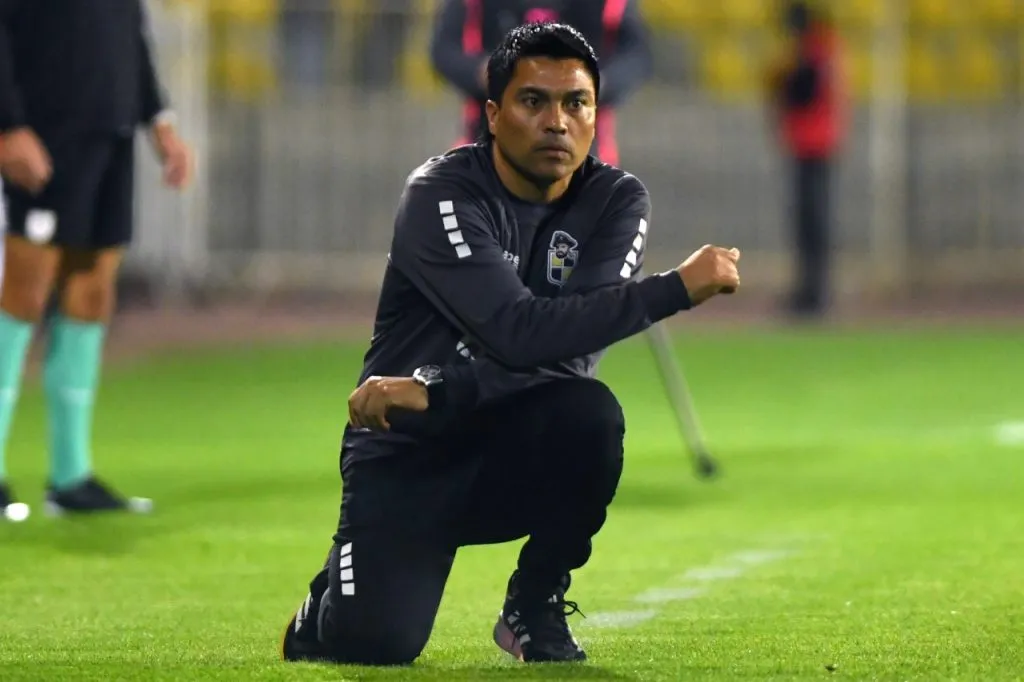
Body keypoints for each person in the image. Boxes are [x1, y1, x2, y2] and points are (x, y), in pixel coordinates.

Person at [281, 22, 740, 666]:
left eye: (576, 103)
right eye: (533, 101)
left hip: (503, 446)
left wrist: (437, 390)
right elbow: (516, 332)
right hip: (407, 453)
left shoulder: (616, 200)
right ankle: (330, 598)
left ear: (596, 114)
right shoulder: (441, 195)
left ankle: (535, 601)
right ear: (493, 115)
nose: (557, 121)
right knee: (374, 645)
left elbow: (571, 356)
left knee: (590, 416)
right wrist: (674, 290)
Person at [0, 0, 192, 518]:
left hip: (110, 129)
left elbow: (129, 31)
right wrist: (7, 125)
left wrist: (159, 120)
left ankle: (70, 477)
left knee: (91, 292)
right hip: (41, 129)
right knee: (23, 292)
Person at [429, 0, 653, 167]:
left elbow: (636, 54)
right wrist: (484, 74)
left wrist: (599, 84)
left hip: (586, 157)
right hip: (485, 149)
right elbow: (444, 49)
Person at [766, 0, 847, 318]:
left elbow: (804, 91)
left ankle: (814, 292)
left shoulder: (815, 50)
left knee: (812, 223)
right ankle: (811, 289)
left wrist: (780, 82)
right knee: (809, 222)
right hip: (813, 143)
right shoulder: (821, 48)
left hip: (814, 143)